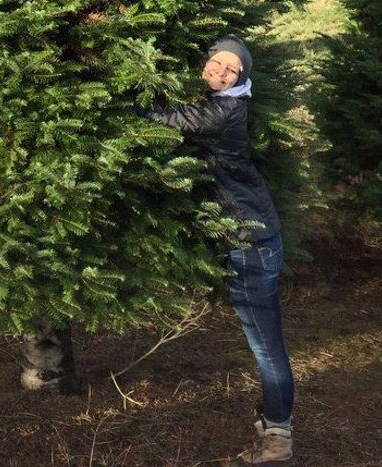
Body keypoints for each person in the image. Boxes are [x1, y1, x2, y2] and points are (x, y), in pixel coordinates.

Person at [148, 36, 295, 464]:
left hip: (251, 243)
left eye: (233, 69)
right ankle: (273, 422)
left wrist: (124, 87)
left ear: (241, 77)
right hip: (253, 235)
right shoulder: (220, 102)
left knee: (266, 346)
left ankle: (278, 436)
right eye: (217, 62)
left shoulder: (225, 112)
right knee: (266, 342)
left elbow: (164, 118)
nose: (222, 72)